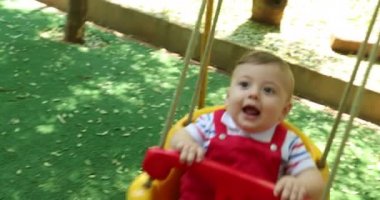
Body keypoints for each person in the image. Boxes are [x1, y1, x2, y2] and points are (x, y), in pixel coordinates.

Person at [170, 50, 324, 200]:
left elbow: (315, 181)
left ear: (284, 110)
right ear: (229, 97)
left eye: (268, 90)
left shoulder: (289, 143)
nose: (254, 94)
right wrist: (187, 145)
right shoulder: (211, 123)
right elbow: (178, 137)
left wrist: (298, 184)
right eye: (244, 84)